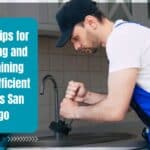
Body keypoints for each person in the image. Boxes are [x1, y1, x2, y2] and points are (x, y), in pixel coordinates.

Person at [56, 0, 150, 143]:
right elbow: (128, 104)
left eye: (76, 38)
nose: (76, 46)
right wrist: (86, 96)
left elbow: (115, 110)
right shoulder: (127, 34)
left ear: (91, 22)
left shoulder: (121, 39)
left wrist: (73, 112)